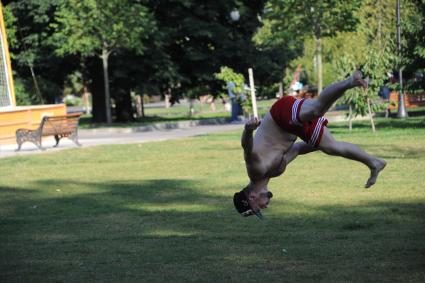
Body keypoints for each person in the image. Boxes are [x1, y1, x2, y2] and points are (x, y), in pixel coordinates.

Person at [234, 71, 387, 219]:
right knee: (332, 147)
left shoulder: (256, 170)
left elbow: (247, 148)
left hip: (280, 117)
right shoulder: (276, 171)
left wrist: (248, 130)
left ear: (251, 198)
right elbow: (299, 148)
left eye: (258, 208)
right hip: (294, 129)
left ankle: (350, 82)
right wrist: (321, 143)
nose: (265, 207)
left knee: (316, 109)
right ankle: (374, 163)